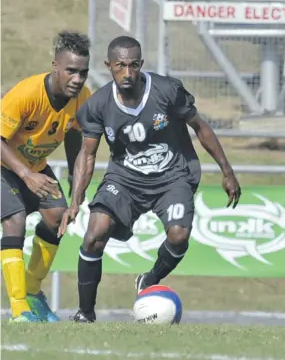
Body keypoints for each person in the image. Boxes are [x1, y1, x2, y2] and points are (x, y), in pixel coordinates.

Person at [60, 35, 241, 323]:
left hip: (173, 177)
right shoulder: (97, 106)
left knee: (179, 236)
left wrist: (227, 171)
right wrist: (75, 202)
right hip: (125, 180)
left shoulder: (167, 91)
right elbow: (88, 154)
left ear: (141, 64)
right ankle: (85, 313)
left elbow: (200, 127)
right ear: (109, 66)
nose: (127, 73)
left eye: (133, 65)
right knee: (95, 234)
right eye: (120, 66)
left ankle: (151, 279)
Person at [1, 31, 92, 323]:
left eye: (83, 72)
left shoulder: (82, 99)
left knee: (57, 216)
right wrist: (26, 175)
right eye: (71, 71)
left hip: (35, 168)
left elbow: (75, 143)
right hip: (7, 167)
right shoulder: (27, 93)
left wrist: (75, 193)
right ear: (55, 66)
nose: (77, 79)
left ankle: (31, 292)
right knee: (14, 220)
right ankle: (19, 311)